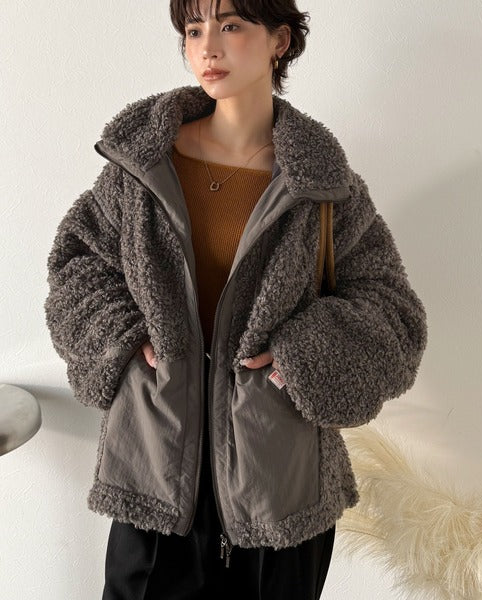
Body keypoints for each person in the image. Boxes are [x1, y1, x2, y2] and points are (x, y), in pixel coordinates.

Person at [43, 0, 428, 598]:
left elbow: (393, 313)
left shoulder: (323, 188)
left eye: (230, 25)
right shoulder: (141, 167)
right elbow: (76, 263)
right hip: (153, 472)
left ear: (280, 41)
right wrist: (123, 336)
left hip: (280, 486)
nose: (207, 46)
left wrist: (303, 354)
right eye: (193, 28)